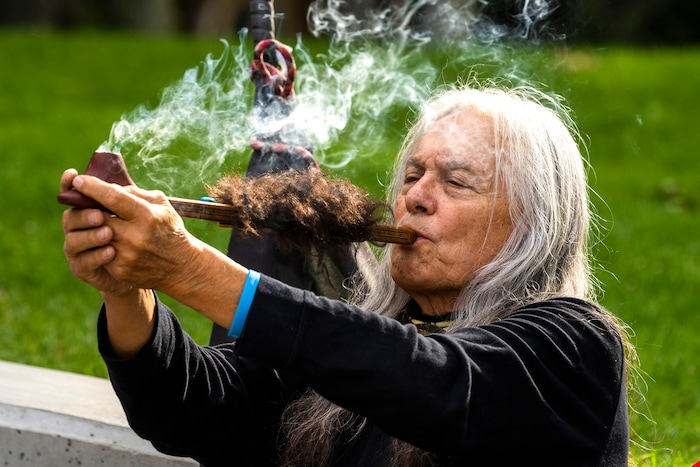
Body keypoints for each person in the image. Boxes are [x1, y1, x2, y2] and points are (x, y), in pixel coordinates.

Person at [61, 84, 633, 466]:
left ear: (534, 221)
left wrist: (189, 268)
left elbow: (428, 381)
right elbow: (203, 413)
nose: (415, 198)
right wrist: (127, 290)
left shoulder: (573, 345)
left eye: (455, 183)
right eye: (412, 176)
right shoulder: (356, 346)